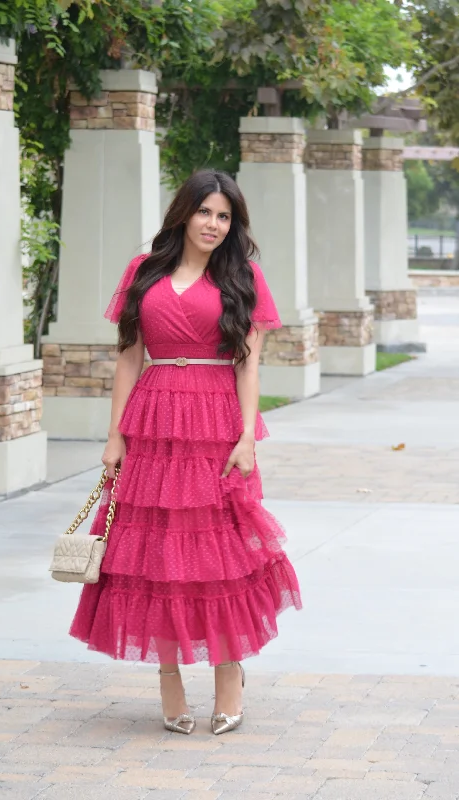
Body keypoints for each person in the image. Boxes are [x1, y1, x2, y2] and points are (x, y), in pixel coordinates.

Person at [69, 169, 302, 736]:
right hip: (151, 420)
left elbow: (248, 362)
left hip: (215, 422)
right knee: (154, 554)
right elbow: (128, 357)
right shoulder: (142, 271)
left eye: (225, 217)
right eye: (206, 212)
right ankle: (169, 683)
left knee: (217, 553)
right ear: (184, 213)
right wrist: (115, 434)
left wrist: (246, 437)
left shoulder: (242, 276)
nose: (214, 225)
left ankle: (229, 678)